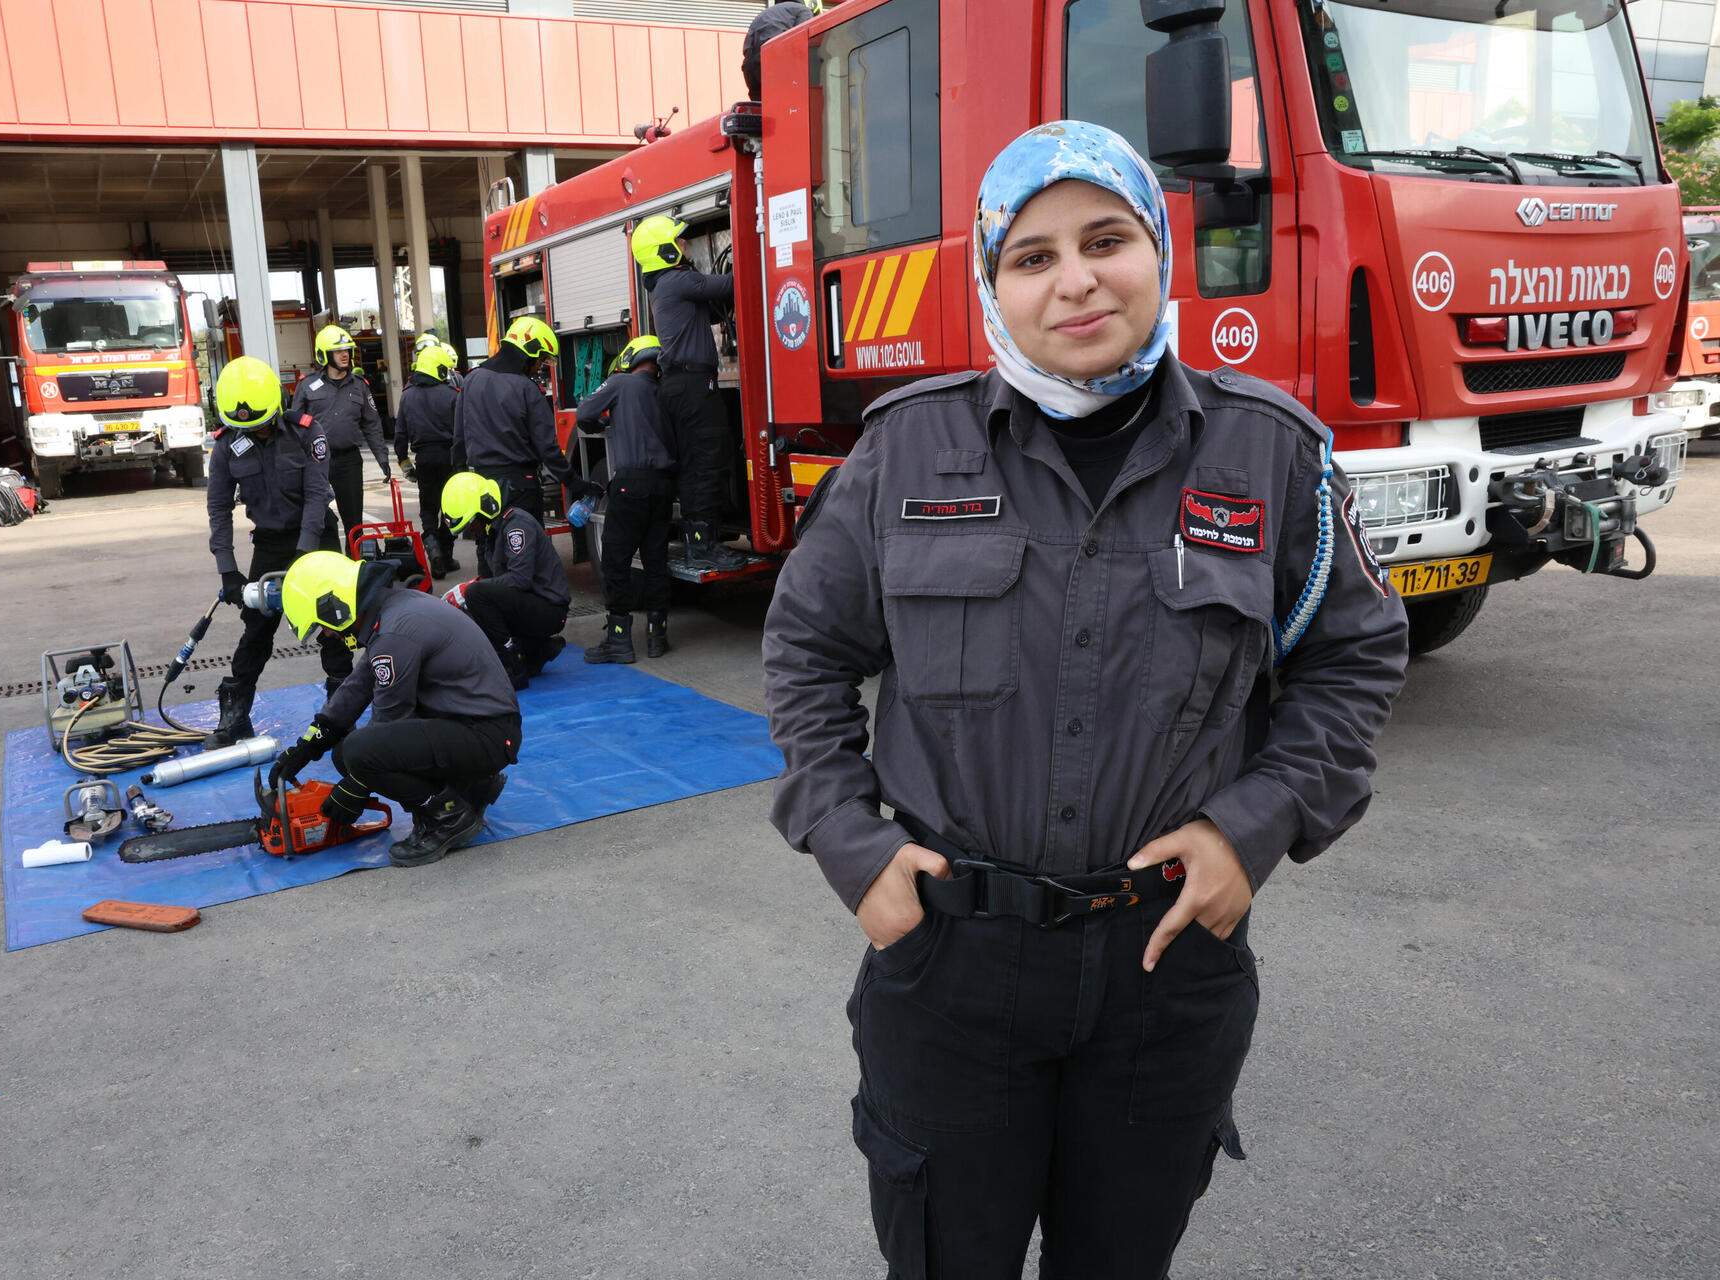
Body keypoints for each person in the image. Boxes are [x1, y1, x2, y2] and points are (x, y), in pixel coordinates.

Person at [761, 122, 1411, 1280]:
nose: (1075, 280)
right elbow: (806, 649)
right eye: (1031, 254)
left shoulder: (1268, 455)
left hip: (1163, 970)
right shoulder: (906, 451)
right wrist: (851, 845)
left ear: (1160, 249)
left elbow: (1354, 657)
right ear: (990, 283)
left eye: (1106, 238)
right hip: (951, 963)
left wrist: (1245, 832)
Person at [271, 551, 519, 868]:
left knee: (359, 754)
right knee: (346, 753)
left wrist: (356, 787)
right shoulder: (391, 610)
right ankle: (471, 785)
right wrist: (306, 747)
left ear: (334, 605)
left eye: (323, 627)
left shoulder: (394, 632)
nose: (327, 635)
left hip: (486, 734)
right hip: (476, 725)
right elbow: (357, 688)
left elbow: (389, 720)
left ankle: (448, 817)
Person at [203, 356, 355, 747]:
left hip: (315, 536)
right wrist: (228, 570)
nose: (252, 431)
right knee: (257, 627)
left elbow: (316, 495)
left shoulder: (308, 432)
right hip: (269, 542)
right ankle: (234, 716)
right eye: (244, 427)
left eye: (259, 423)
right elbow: (218, 509)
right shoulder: (225, 447)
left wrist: (304, 558)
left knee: (333, 623)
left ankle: (340, 714)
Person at [633, 215, 746, 572]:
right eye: (679, 243)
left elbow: (712, 311)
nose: (685, 247)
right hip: (692, 386)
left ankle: (703, 541)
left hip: (682, 385)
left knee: (699, 463)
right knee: (706, 463)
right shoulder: (678, 280)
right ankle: (704, 547)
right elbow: (732, 283)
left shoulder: (666, 286)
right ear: (665, 251)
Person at [578, 335, 679, 663]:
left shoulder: (620, 383)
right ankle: (657, 637)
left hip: (630, 484)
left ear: (631, 357)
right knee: (655, 562)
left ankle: (619, 641)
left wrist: (603, 422)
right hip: (664, 485)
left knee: (616, 560)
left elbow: (584, 414)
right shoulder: (666, 391)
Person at [452, 316, 599, 533]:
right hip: (520, 487)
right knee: (527, 552)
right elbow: (547, 449)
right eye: (540, 359)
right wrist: (575, 483)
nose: (540, 366)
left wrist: (461, 474)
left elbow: (459, 438)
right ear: (528, 351)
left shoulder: (471, 380)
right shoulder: (527, 390)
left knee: (490, 548)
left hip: (481, 486)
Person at [440, 471, 572, 690]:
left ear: (485, 509)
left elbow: (519, 580)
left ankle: (513, 667)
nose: (472, 531)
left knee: (476, 596)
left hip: (549, 608)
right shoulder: (494, 529)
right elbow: (499, 581)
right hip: (534, 603)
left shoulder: (516, 525)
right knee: (472, 602)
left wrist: (470, 588)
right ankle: (535, 650)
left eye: (471, 525)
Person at [291, 324, 392, 552]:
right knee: (314, 518)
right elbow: (294, 426)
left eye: (347, 350)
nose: (345, 354)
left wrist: (383, 459)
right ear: (324, 355)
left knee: (354, 523)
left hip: (348, 461)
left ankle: (354, 569)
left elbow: (372, 425)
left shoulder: (360, 386)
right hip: (316, 462)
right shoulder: (306, 386)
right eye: (338, 351)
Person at [396, 341, 464, 575]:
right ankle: (446, 556)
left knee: (428, 509)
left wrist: (404, 462)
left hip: (423, 459)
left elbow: (400, 435)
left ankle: (432, 549)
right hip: (450, 458)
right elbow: (464, 431)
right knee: (450, 509)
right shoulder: (453, 395)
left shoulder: (407, 397)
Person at [742, 0, 819, 99]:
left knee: (762, 108)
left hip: (750, 68)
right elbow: (801, 39)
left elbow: (746, 48)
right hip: (773, 59)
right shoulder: (804, 11)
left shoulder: (765, 14)